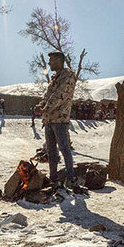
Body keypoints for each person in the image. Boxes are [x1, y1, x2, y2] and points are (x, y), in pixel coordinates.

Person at [37, 51, 81, 193]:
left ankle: (71, 180)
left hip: (60, 119)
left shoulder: (68, 76)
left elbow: (60, 96)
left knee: (64, 149)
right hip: (49, 119)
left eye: (52, 60)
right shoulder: (55, 78)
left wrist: (44, 108)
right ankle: (53, 179)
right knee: (51, 151)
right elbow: (48, 95)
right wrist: (41, 105)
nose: (49, 63)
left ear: (59, 61)